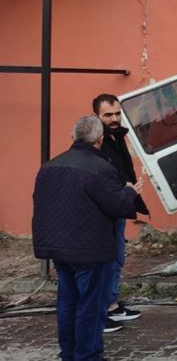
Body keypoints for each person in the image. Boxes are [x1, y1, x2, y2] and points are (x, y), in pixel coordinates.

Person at [32, 115, 140, 361]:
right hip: (90, 249)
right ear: (100, 140)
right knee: (90, 305)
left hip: (58, 248)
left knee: (67, 302)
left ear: (73, 137)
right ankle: (87, 355)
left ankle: (68, 353)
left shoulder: (49, 166)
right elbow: (117, 205)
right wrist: (129, 192)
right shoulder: (101, 168)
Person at [92, 93, 149, 331]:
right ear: (96, 116)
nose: (114, 118)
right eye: (108, 115)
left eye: (117, 113)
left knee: (117, 258)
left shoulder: (117, 136)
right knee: (106, 261)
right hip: (104, 210)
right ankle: (101, 311)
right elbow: (95, 177)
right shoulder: (94, 141)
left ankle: (112, 305)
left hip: (119, 205)